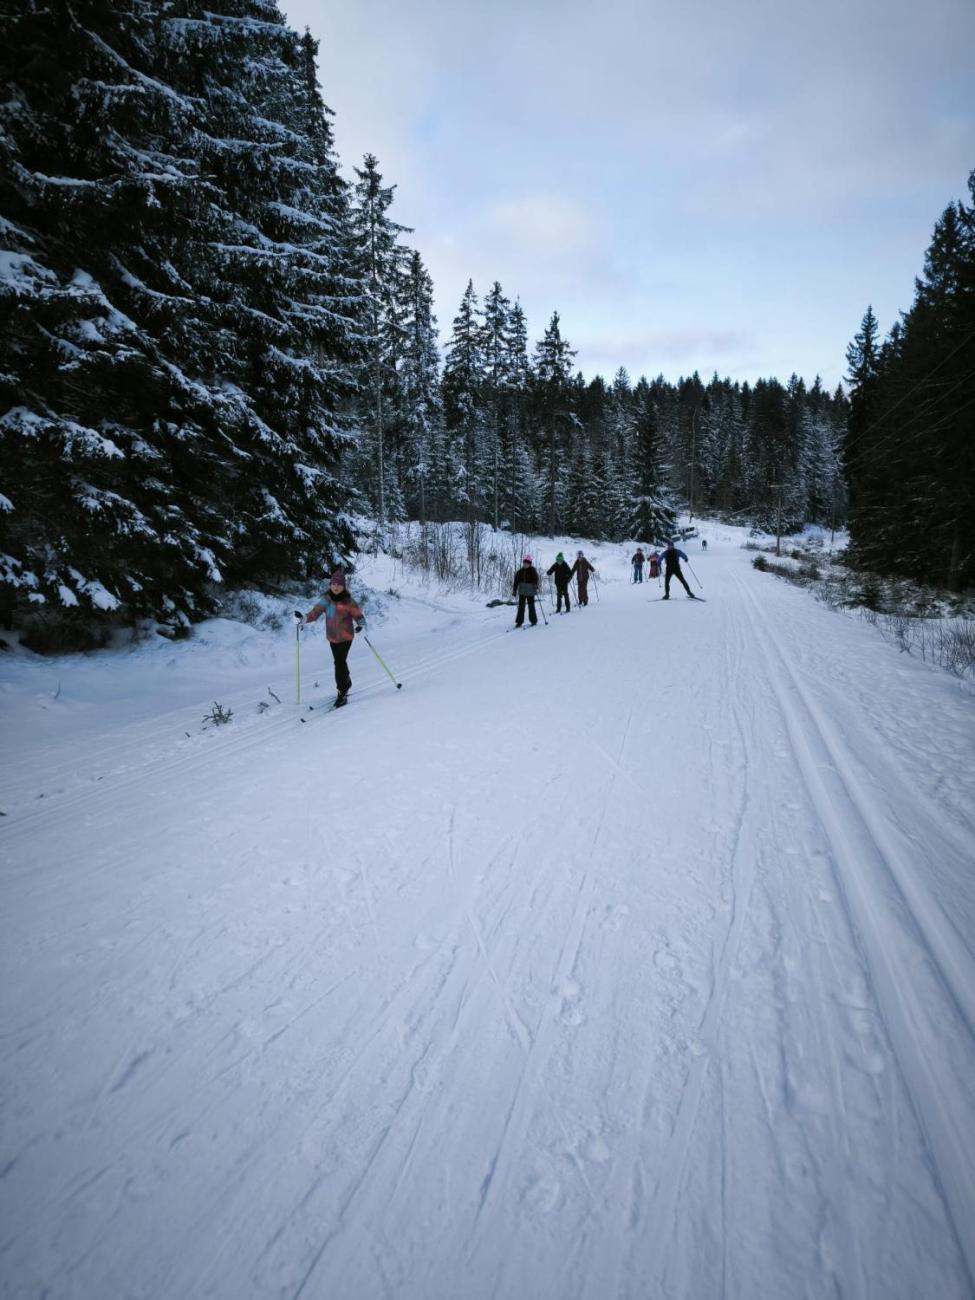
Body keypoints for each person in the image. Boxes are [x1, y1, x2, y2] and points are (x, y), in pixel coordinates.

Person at [304, 570, 365, 705]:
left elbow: (358, 615)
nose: (336, 587)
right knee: (340, 662)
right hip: (332, 638)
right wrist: (303, 619)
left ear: (343, 586)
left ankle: (342, 692)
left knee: (339, 663)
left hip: (346, 637)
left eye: (339, 584)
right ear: (330, 585)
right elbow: (315, 613)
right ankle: (347, 681)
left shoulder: (348, 601)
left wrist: (361, 625)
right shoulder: (326, 600)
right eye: (333, 584)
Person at [512, 555, 540, 627]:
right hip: (522, 592)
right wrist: (514, 590)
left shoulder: (533, 571)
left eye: (527, 563)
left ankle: (533, 621)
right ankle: (519, 622)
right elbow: (516, 582)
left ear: (530, 564)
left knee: (531, 607)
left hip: (530, 592)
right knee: (521, 607)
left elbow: (536, 579)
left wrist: (535, 585)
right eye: (524, 563)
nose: (525, 564)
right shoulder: (519, 572)